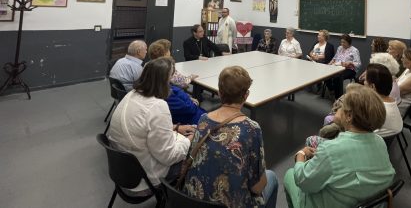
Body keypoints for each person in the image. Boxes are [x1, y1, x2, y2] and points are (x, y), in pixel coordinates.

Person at [284, 86, 395, 208]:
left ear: (349, 116)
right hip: (363, 201)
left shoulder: (330, 149)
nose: (337, 108)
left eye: (341, 106)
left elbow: (303, 181)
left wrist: (301, 155)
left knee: (290, 174)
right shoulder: (380, 142)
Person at [183, 66, 278, 208]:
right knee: (272, 178)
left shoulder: (203, 119)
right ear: (246, 95)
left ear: (219, 93)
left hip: (194, 200)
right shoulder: (252, 128)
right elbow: (257, 187)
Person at [107, 58, 195, 195]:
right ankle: (182, 197)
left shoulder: (131, 94)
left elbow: (143, 126)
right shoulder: (158, 106)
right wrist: (189, 140)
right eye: (171, 76)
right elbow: (169, 156)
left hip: (125, 172)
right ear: (165, 80)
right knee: (195, 154)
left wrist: (175, 128)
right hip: (146, 179)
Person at [364, 63, 403, 137]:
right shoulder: (391, 101)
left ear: (372, 86)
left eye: (365, 80)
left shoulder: (374, 110)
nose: (364, 83)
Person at [326, 34, 362, 99]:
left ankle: (337, 98)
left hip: (349, 69)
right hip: (337, 67)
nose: (342, 44)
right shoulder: (339, 48)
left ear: (349, 42)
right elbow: (335, 58)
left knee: (337, 77)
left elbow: (358, 64)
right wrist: (329, 64)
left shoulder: (354, 50)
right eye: (341, 42)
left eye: (344, 42)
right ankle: (332, 90)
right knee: (326, 74)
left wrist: (350, 62)